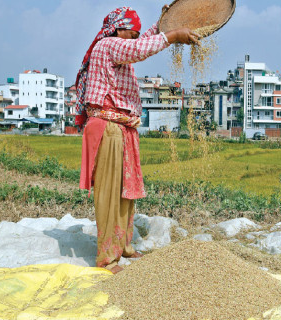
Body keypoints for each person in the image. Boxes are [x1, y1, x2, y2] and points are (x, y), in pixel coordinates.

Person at [76, 6, 199, 274]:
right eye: (132, 33)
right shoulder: (108, 45)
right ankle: (107, 258)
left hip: (120, 127)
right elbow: (139, 49)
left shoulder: (119, 46)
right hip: (108, 127)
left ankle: (123, 247)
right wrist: (174, 35)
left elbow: (141, 44)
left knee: (125, 193)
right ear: (119, 28)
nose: (134, 39)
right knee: (109, 194)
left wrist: (162, 24)